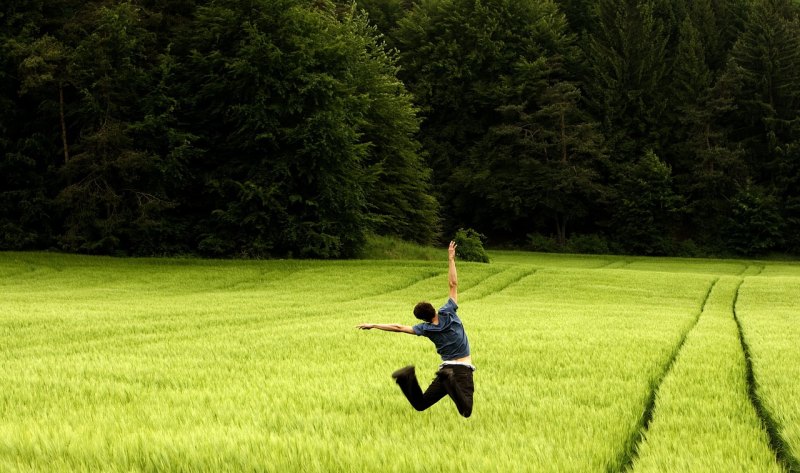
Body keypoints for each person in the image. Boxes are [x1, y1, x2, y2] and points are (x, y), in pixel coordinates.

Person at [357, 241, 475, 418]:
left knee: (420, 404)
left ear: (422, 318)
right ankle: (448, 380)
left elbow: (398, 327)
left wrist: (373, 324)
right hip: (462, 370)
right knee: (466, 411)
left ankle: (406, 378)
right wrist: (451, 259)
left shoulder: (425, 328)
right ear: (433, 308)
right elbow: (453, 283)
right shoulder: (448, 311)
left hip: (446, 367)